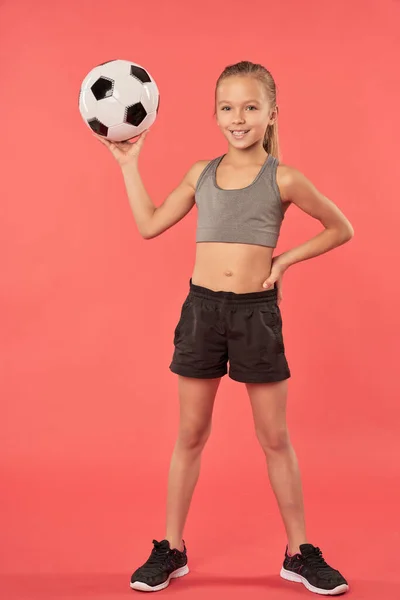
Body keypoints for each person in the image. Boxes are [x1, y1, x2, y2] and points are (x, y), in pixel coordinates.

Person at [95, 60, 353, 596]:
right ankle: (170, 547)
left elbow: (340, 227)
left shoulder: (283, 177)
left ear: (271, 114)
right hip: (202, 312)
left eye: (251, 107)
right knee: (190, 434)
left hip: (256, 314)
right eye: (228, 108)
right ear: (215, 114)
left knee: (275, 437)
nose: (239, 118)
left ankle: (299, 552)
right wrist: (128, 163)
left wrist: (283, 262)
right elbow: (148, 225)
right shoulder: (199, 173)